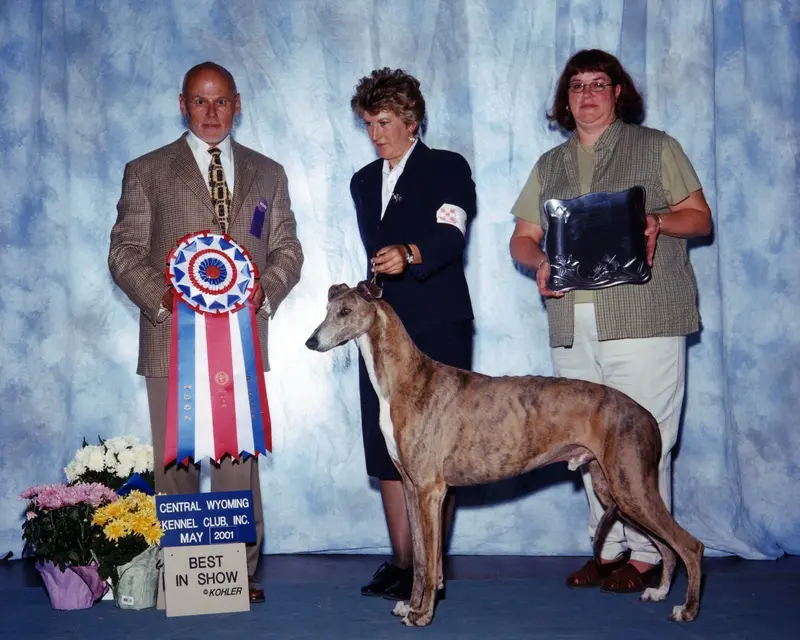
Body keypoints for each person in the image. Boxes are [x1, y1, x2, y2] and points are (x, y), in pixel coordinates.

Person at [509, 49, 712, 594]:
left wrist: (657, 220)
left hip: (645, 316)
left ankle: (649, 554)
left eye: (599, 84)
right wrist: (540, 261)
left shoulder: (657, 147)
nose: (588, 95)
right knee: (583, 443)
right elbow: (522, 240)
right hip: (573, 322)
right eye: (576, 86)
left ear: (618, 92)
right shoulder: (549, 164)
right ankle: (609, 549)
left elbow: (700, 216)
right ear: (565, 99)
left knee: (644, 441)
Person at [108, 61, 303, 603]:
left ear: (237, 104)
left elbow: (288, 247)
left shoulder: (269, 173)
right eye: (200, 101)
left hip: (241, 340)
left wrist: (266, 288)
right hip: (172, 336)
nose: (211, 112)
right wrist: (165, 296)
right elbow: (123, 251)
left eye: (221, 102)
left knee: (238, 460)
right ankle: (185, 572)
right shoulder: (147, 170)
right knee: (175, 462)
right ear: (182, 104)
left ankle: (237, 571)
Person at [349, 68, 476, 601]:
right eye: (368, 124)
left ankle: (431, 570)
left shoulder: (446, 167)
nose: (376, 134)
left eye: (384, 122)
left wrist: (411, 254)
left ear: (411, 120)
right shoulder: (361, 181)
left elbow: (451, 234)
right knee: (388, 449)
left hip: (436, 327)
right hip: (379, 337)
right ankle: (403, 563)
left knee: (434, 452)